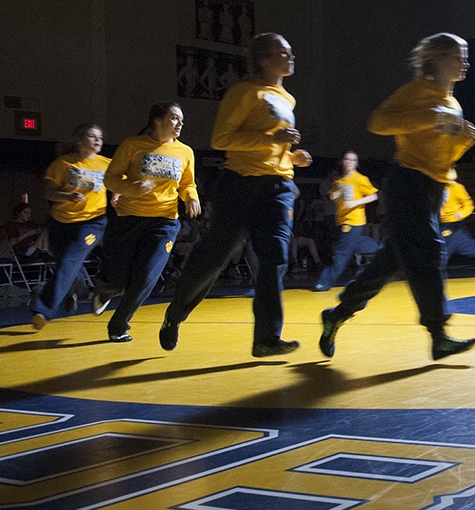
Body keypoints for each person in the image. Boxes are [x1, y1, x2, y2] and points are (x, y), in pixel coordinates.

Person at [319, 33, 475, 361]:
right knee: (431, 249)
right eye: (457, 56)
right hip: (407, 182)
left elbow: (442, 157)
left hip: (434, 188)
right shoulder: (418, 91)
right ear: (436, 59)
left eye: (465, 56)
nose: (465, 62)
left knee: (390, 260)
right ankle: (438, 333)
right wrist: (429, 118)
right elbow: (377, 122)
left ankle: (338, 313)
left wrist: (463, 140)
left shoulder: (453, 103)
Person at [159, 33, 312, 357]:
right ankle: (176, 314)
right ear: (264, 60)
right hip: (241, 185)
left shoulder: (287, 98)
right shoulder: (244, 92)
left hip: (278, 187)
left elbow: (274, 146)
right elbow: (222, 139)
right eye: (283, 52)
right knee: (214, 257)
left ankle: (267, 338)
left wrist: (291, 157)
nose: (291, 56)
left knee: (274, 258)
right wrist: (272, 137)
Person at [92, 103, 200, 342]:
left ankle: (118, 325)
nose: (180, 124)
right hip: (129, 218)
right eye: (174, 118)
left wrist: (191, 197)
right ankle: (107, 287)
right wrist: (130, 188)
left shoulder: (185, 152)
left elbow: (187, 183)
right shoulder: (133, 145)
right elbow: (110, 179)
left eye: (181, 119)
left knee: (147, 276)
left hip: (164, 221)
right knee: (119, 276)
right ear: (158, 120)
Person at [30, 123, 111, 329]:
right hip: (61, 221)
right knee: (64, 265)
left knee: (68, 262)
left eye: (100, 137)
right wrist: (67, 196)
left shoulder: (107, 164)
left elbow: (119, 184)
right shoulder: (62, 163)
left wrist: (117, 197)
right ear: (79, 140)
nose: (97, 140)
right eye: (92, 136)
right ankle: (71, 288)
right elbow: (49, 193)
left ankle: (42, 310)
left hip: (92, 222)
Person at [312, 151, 380, 291]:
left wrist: (356, 203)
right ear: (342, 161)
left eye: (353, 160)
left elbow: (373, 196)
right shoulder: (338, 181)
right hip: (341, 221)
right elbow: (332, 195)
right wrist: (334, 195)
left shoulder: (360, 179)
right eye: (347, 159)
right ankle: (385, 253)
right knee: (355, 244)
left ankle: (324, 282)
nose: (349, 162)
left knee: (341, 253)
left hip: (354, 221)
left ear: (357, 163)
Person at [440, 180, 475, 267]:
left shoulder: (456, 187)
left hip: (451, 222)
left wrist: (462, 214)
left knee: (445, 246)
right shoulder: (435, 187)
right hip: (440, 223)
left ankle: (435, 268)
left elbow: (468, 203)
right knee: (461, 243)